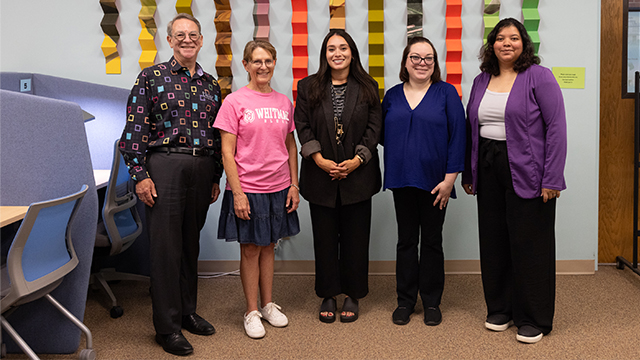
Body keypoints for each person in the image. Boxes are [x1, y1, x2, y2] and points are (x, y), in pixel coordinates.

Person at [119, 13, 222, 356]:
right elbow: (134, 132)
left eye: (193, 34)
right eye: (180, 35)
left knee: (190, 245)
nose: (187, 40)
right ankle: (167, 327)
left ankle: (187, 312)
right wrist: (140, 174)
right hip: (164, 165)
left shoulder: (211, 84)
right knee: (165, 249)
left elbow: (218, 134)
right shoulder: (151, 77)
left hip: (202, 166)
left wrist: (216, 175)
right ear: (170, 40)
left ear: (202, 40)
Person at [462, 18, 567, 344]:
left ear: (524, 43)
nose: (507, 43)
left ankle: (533, 318)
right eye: (500, 38)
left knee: (529, 244)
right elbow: (472, 129)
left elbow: (557, 129)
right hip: (489, 167)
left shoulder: (539, 77)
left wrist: (552, 178)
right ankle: (500, 309)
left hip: (529, 170)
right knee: (493, 241)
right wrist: (470, 171)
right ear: (491, 44)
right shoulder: (481, 80)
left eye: (514, 38)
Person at [294, 29, 382, 324]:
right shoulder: (308, 86)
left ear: (352, 52)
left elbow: (374, 128)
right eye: (331, 49)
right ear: (325, 54)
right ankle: (328, 294)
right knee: (325, 239)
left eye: (343, 48)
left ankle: (353, 294)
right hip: (321, 177)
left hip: (359, 176)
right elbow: (302, 126)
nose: (337, 53)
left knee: (356, 240)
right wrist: (318, 159)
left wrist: (357, 160)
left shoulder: (368, 85)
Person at [214, 40, 300, 339]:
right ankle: (251, 311)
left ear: (275, 63)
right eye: (257, 61)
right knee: (250, 249)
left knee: (269, 246)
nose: (263, 67)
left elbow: (291, 146)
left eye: (268, 61)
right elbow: (227, 152)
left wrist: (293, 184)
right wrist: (237, 193)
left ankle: (267, 305)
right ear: (246, 65)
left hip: (278, 186)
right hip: (247, 187)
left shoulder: (283, 102)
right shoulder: (234, 102)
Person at [381, 36, 465, 326]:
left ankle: (431, 302)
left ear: (435, 63)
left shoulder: (446, 94)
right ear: (405, 61)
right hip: (402, 180)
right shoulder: (392, 95)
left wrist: (450, 180)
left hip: (436, 184)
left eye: (428, 58)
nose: (422, 63)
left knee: (431, 241)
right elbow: (381, 134)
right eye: (415, 57)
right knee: (405, 241)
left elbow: (459, 138)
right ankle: (405, 301)